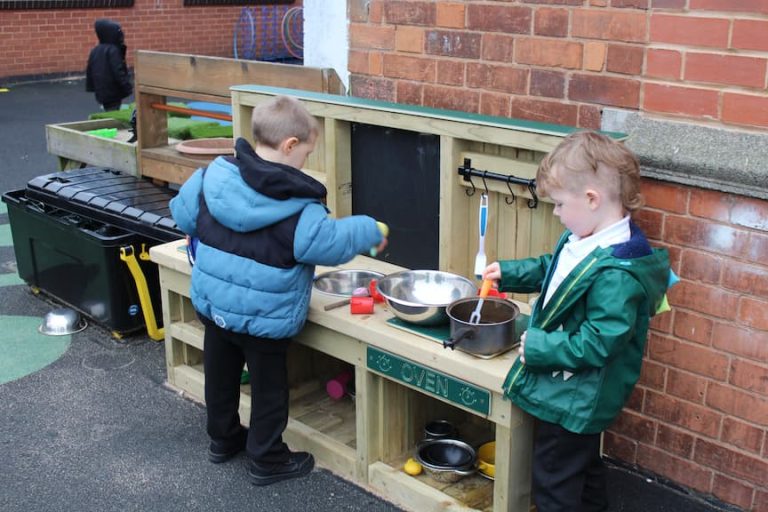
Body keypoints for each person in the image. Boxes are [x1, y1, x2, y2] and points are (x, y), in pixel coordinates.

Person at [169, 95, 387, 486]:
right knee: (270, 390)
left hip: (216, 306)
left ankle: (223, 439)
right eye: (306, 153)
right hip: (263, 320)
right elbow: (331, 242)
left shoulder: (211, 178)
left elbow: (183, 214)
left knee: (220, 375)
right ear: (289, 146)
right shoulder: (300, 209)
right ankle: (266, 458)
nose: (305, 162)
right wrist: (369, 230)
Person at [483, 131, 674, 511]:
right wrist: (510, 272)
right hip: (573, 388)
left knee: (554, 480)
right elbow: (553, 270)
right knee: (583, 467)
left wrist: (540, 347)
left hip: (576, 396)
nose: (555, 213)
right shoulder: (585, 238)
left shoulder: (616, 273)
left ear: (591, 199)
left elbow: (602, 340)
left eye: (557, 204)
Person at [85, 19, 133, 112]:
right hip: (113, 90)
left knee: (108, 108)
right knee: (113, 110)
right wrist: (127, 86)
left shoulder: (96, 50)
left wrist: (91, 86)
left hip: (102, 90)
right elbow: (118, 71)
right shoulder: (113, 51)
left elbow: (90, 70)